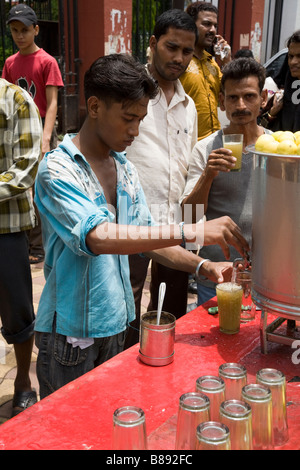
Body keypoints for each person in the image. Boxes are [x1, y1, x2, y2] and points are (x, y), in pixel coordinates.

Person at [34, 54, 249, 398]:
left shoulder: (125, 169)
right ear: (94, 106)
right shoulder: (58, 170)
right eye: (128, 119)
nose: (135, 131)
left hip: (119, 326)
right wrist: (192, 230)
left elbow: (148, 240)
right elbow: (98, 236)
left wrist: (204, 265)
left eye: (141, 120)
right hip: (70, 338)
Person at [125, 9, 199, 347]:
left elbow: (190, 171)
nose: (179, 58)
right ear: (153, 43)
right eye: (171, 47)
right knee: (125, 309)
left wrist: (192, 231)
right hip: (130, 225)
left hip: (175, 226)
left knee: (171, 313)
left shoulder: (189, 106)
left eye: (187, 51)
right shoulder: (129, 92)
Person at [181, 58, 270, 305]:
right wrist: (208, 175)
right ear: (222, 100)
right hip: (219, 276)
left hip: (267, 276)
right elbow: (188, 217)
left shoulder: (275, 149)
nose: (241, 105)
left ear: (263, 99)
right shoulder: (206, 149)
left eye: (249, 96)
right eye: (233, 98)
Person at [2, 3, 64, 264]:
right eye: (15, 30)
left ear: (36, 29)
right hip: (16, 132)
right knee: (19, 186)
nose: (20, 35)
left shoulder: (47, 61)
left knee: (42, 189)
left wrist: (46, 138)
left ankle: (42, 247)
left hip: (41, 128)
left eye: (25, 30)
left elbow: (52, 103)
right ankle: (31, 244)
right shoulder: (10, 62)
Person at [0, 78, 42, 416]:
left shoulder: (16, 99)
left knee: (18, 309)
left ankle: (23, 382)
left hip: (6, 225)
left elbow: (27, 163)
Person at [180, 1, 231, 140]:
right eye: (207, 24)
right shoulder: (179, 62)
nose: (213, 30)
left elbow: (228, 94)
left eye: (215, 26)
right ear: (191, 25)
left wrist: (227, 62)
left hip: (213, 141)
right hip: (188, 144)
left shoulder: (212, 63)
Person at [260, 30, 300, 132]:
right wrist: (272, 113)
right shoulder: (285, 93)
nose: (293, 62)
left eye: (299, 56)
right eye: (290, 56)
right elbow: (261, 129)